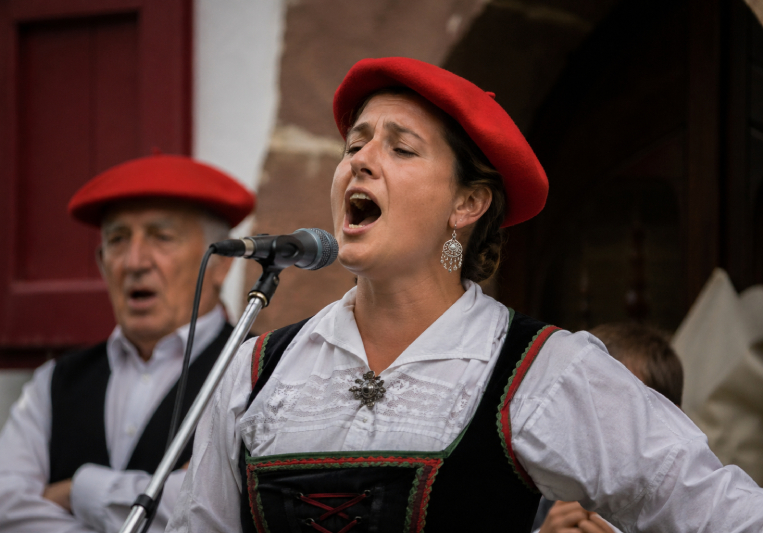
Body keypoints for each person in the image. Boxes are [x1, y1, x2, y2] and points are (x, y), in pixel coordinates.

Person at [166, 57, 763, 532]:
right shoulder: (256, 372)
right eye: (354, 145)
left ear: (467, 204)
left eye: (400, 148)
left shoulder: (541, 371)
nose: (361, 162)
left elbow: (714, 509)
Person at [0, 154, 255, 533]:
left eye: (162, 237)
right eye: (118, 240)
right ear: (102, 264)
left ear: (222, 263)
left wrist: (77, 493)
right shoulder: (54, 382)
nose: (135, 261)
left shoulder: (259, 370)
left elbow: (221, 510)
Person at [533, 322, 684, 533]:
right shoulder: (544, 494)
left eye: (615, 412)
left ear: (673, 422)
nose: (592, 432)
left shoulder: (695, 509)